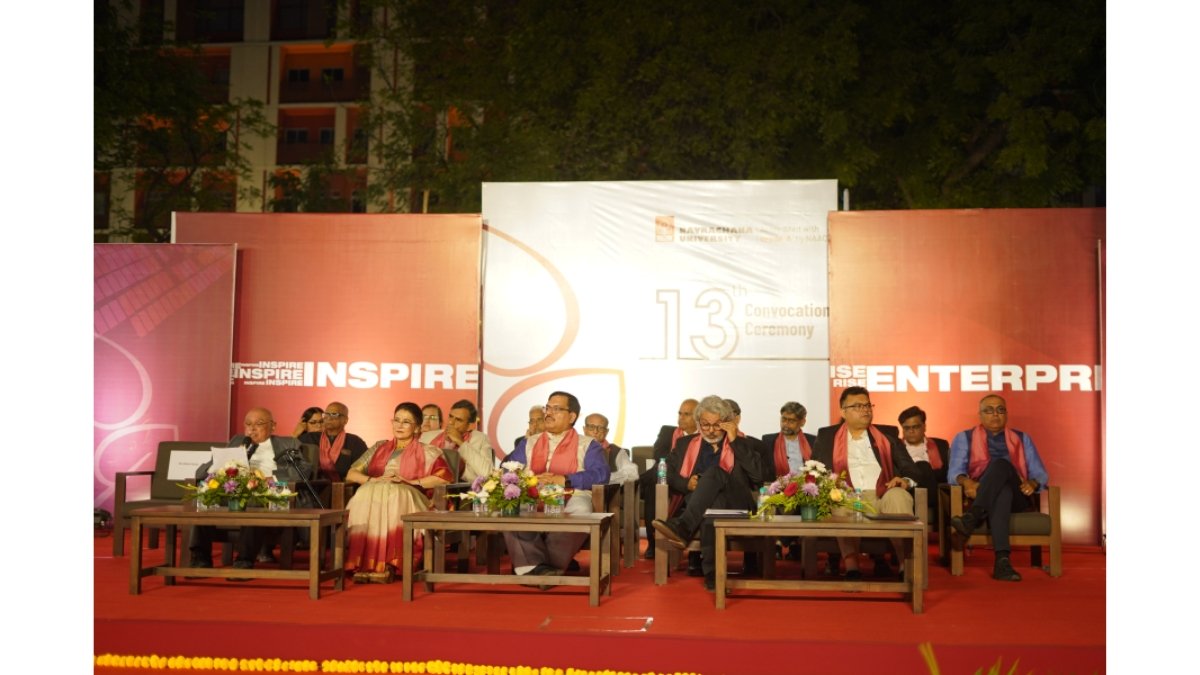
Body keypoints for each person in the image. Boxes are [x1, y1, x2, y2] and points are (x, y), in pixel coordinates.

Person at [651, 396, 770, 591]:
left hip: (737, 504)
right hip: (703, 507)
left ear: (726, 423)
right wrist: (686, 483)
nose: (711, 430)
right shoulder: (684, 444)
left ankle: (684, 526)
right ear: (699, 423)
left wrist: (734, 441)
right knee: (712, 512)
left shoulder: (744, 443)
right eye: (706, 425)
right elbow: (665, 472)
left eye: (717, 425)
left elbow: (759, 477)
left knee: (714, 472)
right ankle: (714, 578)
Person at [812, 387, 919, 580]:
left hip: (882, 493)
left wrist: (905, 480)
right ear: (843, 412)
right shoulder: (827, 436)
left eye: (867, 405)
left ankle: (906, 565)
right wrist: (827, 486)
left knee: (898, 496)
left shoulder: (887, 435)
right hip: (847, 496)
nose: (865, 410)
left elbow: (910, 468)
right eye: (858, 406)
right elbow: (814, 471)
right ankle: (852, 567)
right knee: (839, 499)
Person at [189, 407, 312, 574]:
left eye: (259, 424)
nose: (252, 429)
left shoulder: (288, 443)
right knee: (205, 499)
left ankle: (244, 560)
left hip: (267, 492)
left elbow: (304, 471)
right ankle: (200, 557)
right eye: (248, 424)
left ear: (273, 426)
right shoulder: (237, 441)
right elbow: (200, 473)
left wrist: (272, 478)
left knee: (255, 504)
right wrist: (218, 465)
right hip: (233, 489)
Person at [505, 391, 610, 583]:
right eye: (548, 408)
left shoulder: (588, 445)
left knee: (581, 510)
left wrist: (565, 479)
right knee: (510, 509)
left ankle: (534, 567)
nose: (549, 413)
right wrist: (531, 479)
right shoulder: (528, 443)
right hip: (532, 494)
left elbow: (601, 474)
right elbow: (507, 471)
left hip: (572, 493)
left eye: (556, 409)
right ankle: (544, 570)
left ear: (572, 417)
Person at [345, 402, 452, 584]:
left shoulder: (429, 451)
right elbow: (351, 473)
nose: (399, 425)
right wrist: (372, 480)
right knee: (364, 492)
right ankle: (365, 564)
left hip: (411, 497)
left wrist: (412, 482)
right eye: (397, 420)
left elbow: (444, 478)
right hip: (376, 492)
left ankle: (389, 564)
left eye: (406, 422)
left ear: (417, 427)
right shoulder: (379, 447)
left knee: (395, 494)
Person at [948, 394, 1050, 582]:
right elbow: (954, 472)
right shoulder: (964, 438)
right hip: (979, 492)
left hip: (1019, 497)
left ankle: (973, 516)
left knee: (1001, 465)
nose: (995, 414)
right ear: (980, 415)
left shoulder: (1022, 438)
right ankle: (1002, 562)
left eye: (1000, 410)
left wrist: (1033, 483)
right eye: (989, 410)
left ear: (1006, 414)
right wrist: (967, 482)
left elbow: (1041, 473)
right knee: (1003, 491)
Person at [639, 398, 698, 559]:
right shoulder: (668, 432)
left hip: (688, 483)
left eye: (686, 414)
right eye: (680, 413)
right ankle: (653, 543)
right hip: (666, 477)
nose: (681, 418)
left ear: (698, 417)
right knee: (656, 480)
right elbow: (660, 457)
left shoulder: (702, 438)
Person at [760, 401, 817, 560]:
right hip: (777, 484)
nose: (785, 424)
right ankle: (781, 542)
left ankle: (793, 541)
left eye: (791, 421)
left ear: (802, 422)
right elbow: (764, 470)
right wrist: (779, 482)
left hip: (804, 486)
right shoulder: (768, 440)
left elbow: (818, 467)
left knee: (809, 495)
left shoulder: (813, 441)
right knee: (773, 495)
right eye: (783, 419)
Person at [421, 399, 496, 482]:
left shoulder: (480, 439)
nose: (451, 422)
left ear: (469, 425)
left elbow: (488, 474)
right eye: (451, 416)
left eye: (458, 420)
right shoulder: (428, 436)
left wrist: (460, 442)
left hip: (460, 487)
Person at [897, 405, 950, 520]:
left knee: (923, 466)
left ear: (924, 426)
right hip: (908, 490)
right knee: (921, 466)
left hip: (934, 488)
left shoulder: (940, 445)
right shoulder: (896, 447)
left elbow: (945, 474)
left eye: (915, 427)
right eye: (906, 428)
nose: (911, 431)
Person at [299, 401, 369, 484]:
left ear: (345, 420)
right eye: (326, 414)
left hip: (345, 488)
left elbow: (362, 472)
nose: (329, 418)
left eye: (334, 414)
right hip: (311, 487)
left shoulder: (355, 442)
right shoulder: (310, 438)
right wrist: (295, 433)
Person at [583, 413, 639, 484]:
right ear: (584, 429)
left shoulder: (616, 451)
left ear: (606, 432)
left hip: (604, 489)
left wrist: (603, 477)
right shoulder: (574, 447)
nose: (595, 431)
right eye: (591, 427)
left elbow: (632, 474)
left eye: (600, 428)